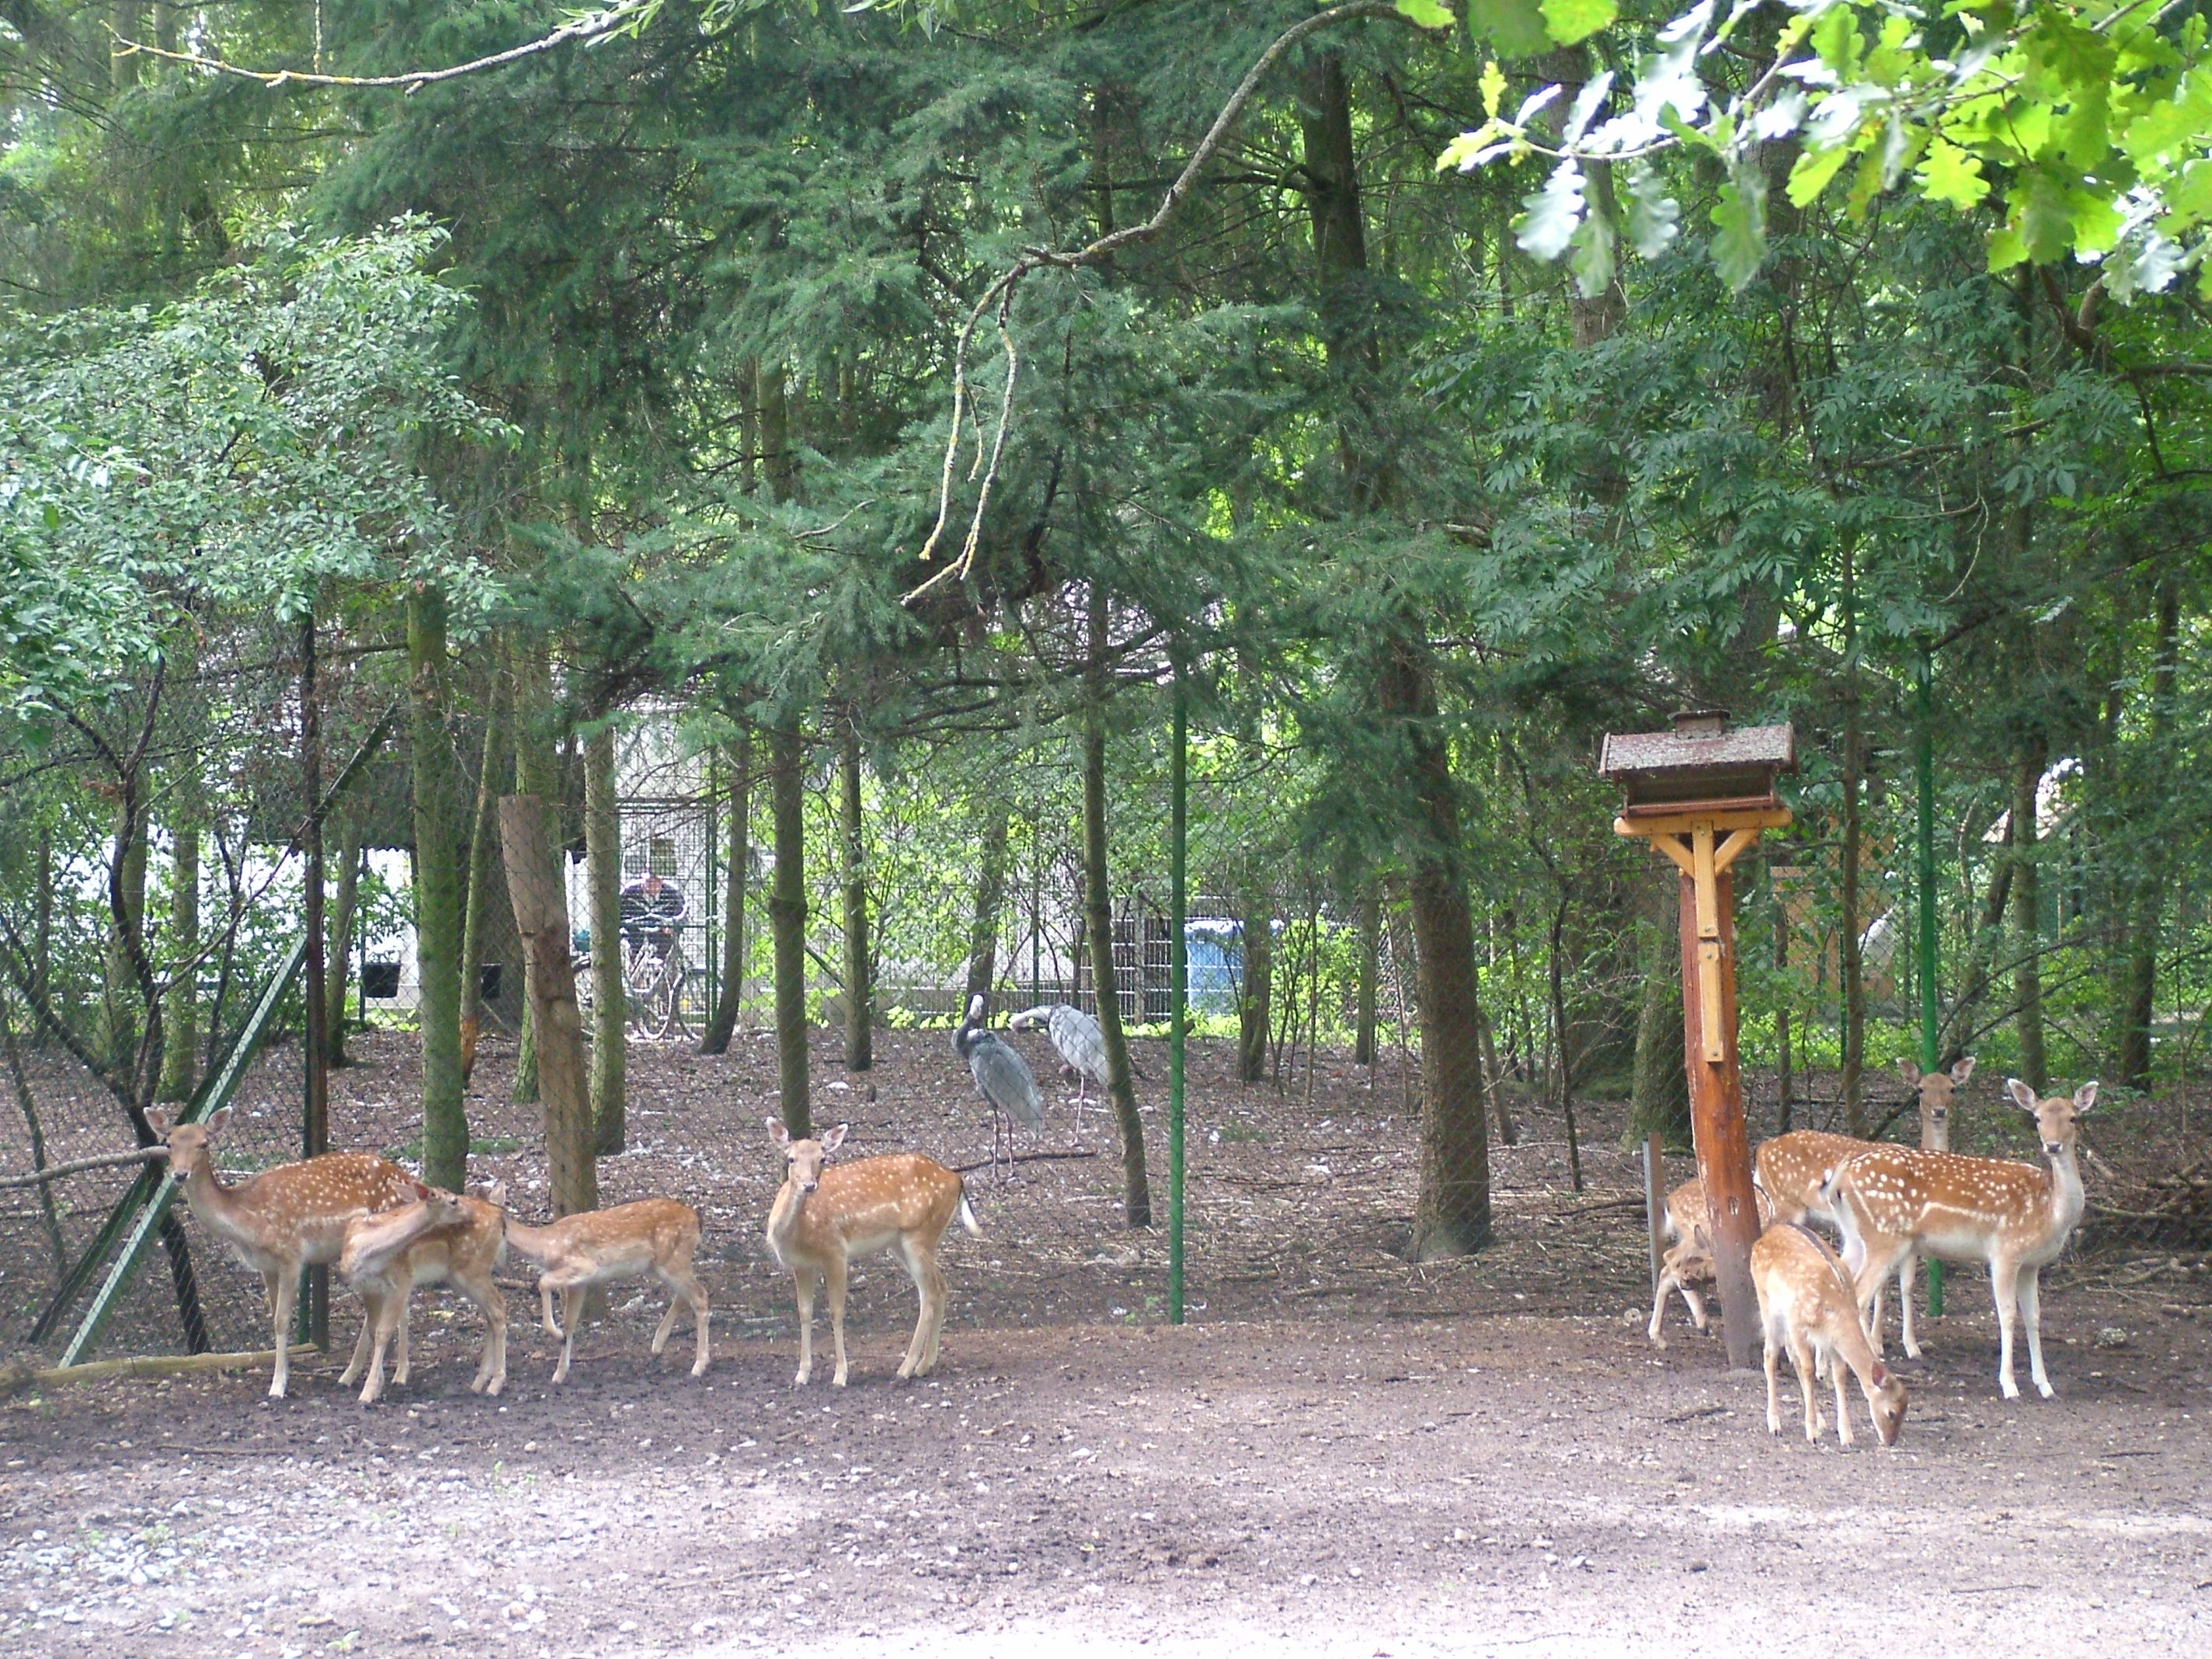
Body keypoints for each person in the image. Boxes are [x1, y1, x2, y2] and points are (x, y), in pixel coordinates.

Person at [618, 870, 687, 958]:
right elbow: (618, 913)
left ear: (662, 881)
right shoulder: (629, 892)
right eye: (649, 881)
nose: (652, 885)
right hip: (634, 934)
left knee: (669, 943)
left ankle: (660, 964)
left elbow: (682, 914)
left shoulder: (673, 893)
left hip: (661, 935)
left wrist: (673, 927)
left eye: (657, 881)